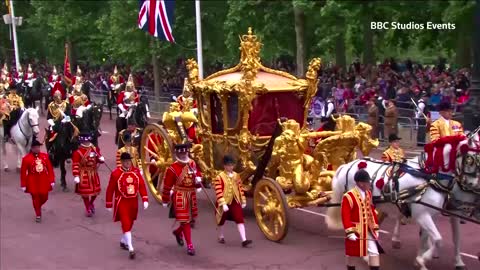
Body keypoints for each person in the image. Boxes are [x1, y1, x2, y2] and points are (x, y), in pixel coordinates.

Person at [161, 143, 202, 256]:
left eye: (185, 152)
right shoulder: (172, 168)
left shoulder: (192, 163)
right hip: (179, 195)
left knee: (191, 220)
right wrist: (165, 200)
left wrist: (198, 181)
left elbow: (197, 176)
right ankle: (190, 245)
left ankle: (178, 232)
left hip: (191, 195)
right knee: (185, 221)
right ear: (177, 153)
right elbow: (167, 186)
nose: (184, 155)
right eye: (181, 153)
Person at [106, 152, 148, 260]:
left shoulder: (136, 172)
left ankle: (123, 241)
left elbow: (142, 185)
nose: (128, 163)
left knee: (130, 223)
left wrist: (145, 199)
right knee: (125, 223)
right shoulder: (115, 174)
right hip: (122, 202)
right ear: (122, 162)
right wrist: (109, 203)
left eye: (129, 161)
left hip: (133, 202)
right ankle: (131, 248)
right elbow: (110, 189)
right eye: (126, 161)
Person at [341, 169, 382, 270]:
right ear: (360, 183)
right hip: (356, 231)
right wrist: (350, 232)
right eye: (367, 182)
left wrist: (375, 226)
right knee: (352, 255)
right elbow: (345, 215)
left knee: (374, 252)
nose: (369, 184)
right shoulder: (348, 196)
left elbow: (371, 210)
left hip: (368, 230)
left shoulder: (368, 193)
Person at [214, 155, 252, 247]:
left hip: (235, 200)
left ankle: (244, 240)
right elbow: (218, 191)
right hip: (224, 201)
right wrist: (223, 204)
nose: (230, 167)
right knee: (221, 220)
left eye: (232, 165)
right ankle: (221, 235)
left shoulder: (236, 176)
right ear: (224, 166)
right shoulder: (219, 177)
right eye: (228, 165)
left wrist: (243, 200)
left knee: (239, 218)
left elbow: (240, 188)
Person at [20, 139, 55, 223]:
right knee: (35, 198)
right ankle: (38, 214)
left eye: (38, 147)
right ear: (31, 148)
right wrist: (23, 184)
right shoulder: (26, 159)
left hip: (43, 179)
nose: (37, 149)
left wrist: (52, 180)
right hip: (32, 181)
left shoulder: (45, 156)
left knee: (45, 197)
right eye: (35, 147)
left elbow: (50, 169)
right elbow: (23, 173)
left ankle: (37, 206)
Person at [72, 132, 104, 217]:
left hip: (93, 173)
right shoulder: (77, 152)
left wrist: (101, 159)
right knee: (85, 193)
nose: (86, 143)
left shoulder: (94, 149)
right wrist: (76, 175)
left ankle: (91, 203)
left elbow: (98, 159)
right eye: (84, 142)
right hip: (84, 173)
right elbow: (75, 164)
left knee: (95, 192)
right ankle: (87, 208)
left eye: (87, 141)